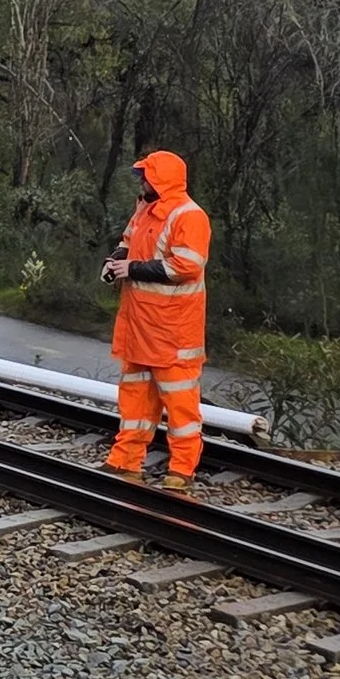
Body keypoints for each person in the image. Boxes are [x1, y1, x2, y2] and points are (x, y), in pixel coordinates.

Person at [103, 148, 211, 488]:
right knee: (134, 401)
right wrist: (115, 263)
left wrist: (130, 269)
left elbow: (187, 266)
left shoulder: (189, 216)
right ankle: (124, 462)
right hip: (138, 327)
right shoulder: (146, 209)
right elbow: (128, 241)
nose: (141, 181)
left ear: (160, 180)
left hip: (173, 333)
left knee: (180, 407)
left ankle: (181, 471)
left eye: (146, 176)